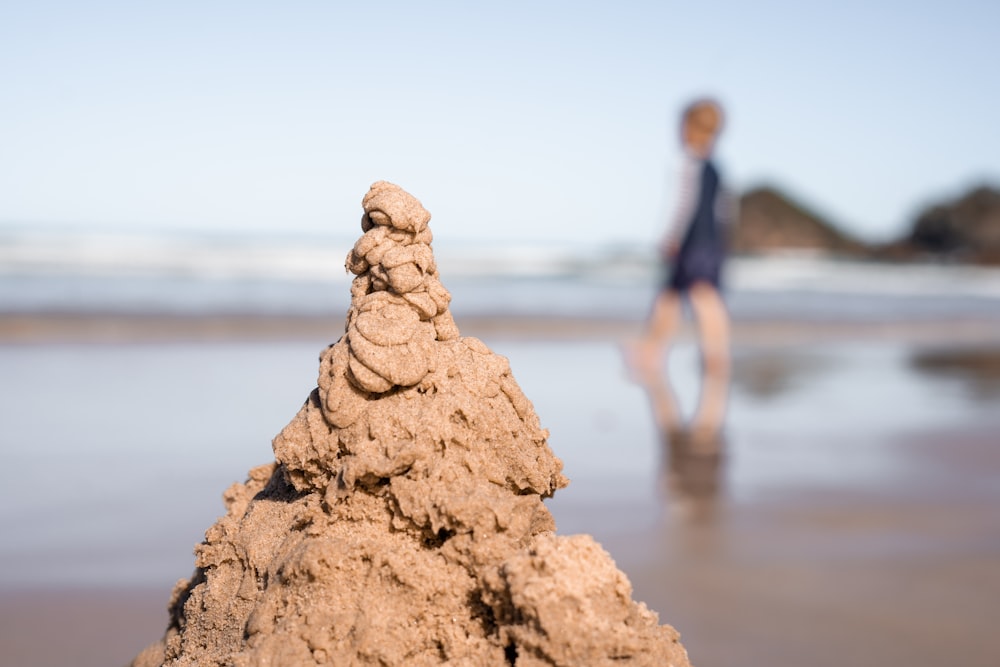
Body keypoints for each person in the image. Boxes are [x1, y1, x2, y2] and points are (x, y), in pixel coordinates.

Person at [630, 98, 734, 380]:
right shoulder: (716, 167)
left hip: (691, 242)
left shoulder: (686, 163)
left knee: (702, 298)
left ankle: (715, 355)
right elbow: (724, 209)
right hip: (711, 242)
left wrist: (669, 237)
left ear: (687, 128)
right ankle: (652, 349)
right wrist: (722, 239)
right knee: (671, 298)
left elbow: (682, 204)